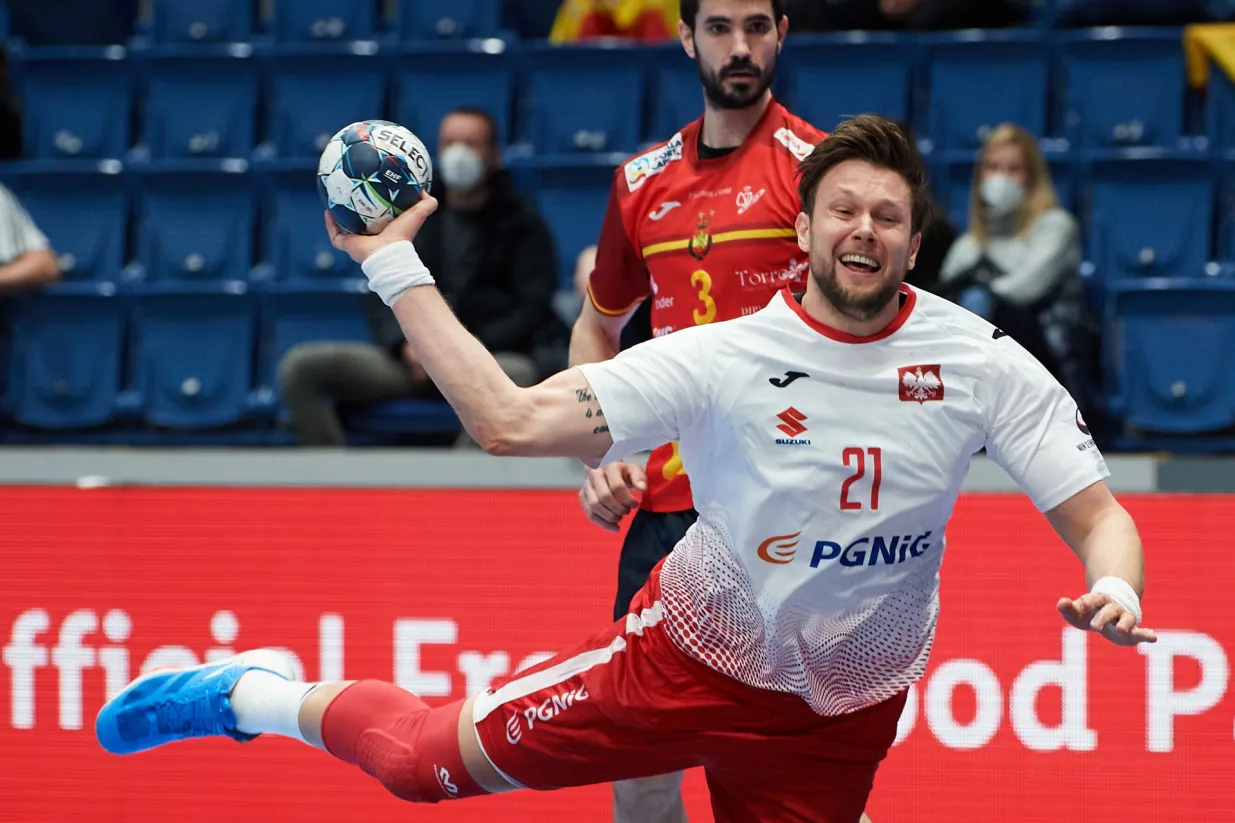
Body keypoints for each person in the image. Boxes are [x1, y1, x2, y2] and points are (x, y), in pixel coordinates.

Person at [95, 115, 1156, 823]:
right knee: (420, 764)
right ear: (804, 228)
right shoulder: (723, 356)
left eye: (886, 216)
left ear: (914, 243)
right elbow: (510, 421)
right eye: (842, 211)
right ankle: (255, 692)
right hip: (685, 663)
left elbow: (1100, 516)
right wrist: (391, 264)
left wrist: (1114, 583)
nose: (862, 232)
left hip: (842, 712)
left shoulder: (976, 361)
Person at [569, 0, 825, 814]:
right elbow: (595, 328)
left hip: (787, 516)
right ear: (685, 38)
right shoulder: (640, 182)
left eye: (756, 25)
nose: (739, 46)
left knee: (787, 781)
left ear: (782, 31)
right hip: (668, 516)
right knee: (638, 775)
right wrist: (604, 448)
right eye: (718, 27)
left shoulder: (819, 169)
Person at [278, 106, 556, 446]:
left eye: (472, 143)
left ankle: (466, 489)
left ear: (494, 155)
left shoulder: (523, 223)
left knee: (519, 373)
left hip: (482, 362)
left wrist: (456, 349)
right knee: (303, 368)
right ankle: (335, 486)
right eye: (451, 142)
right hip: (408, 362)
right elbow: (378, 295)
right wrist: (407, 345)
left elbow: (532, 308)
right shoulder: (399, 211)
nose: (460, 153)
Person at [937, 123, 1096, 424]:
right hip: (987, 365)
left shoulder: (1055, 227)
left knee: (976, 300)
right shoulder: (969, 245)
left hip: (1046, 362)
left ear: (1032, 178)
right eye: (993, 168)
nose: (1001, 179)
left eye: (1013, 169)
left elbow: (1023, 290)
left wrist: (976, 283)